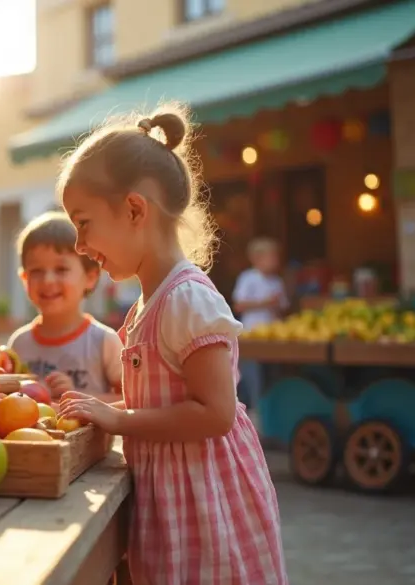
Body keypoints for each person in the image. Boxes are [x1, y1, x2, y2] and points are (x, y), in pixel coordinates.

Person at [55, 104, 287, 585]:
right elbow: (162, 403)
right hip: (176, 504)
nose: (79, 245)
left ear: (134, 210)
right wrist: (103, 408)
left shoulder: (186, 299)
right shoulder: (149, 303)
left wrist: (120, 419)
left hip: (208, 509)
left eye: (83, 222)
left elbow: (216, 413)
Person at [7, 211, 122, 400]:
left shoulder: (103, 341)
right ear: (24, 279)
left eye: (61, 269)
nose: (48, 280)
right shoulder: (19, 344)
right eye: (36, 271)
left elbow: (130, 400)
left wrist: (77, 396)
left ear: (91, 277)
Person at [232, 237, 287, 410]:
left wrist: (276, 306)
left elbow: (283, 306)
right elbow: (239, 305)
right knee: (253, 377)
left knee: (273, 375)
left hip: (273, 335)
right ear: (257, 258)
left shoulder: (277, 281)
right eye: (272, 256)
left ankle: (271, 408)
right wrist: (265, 303)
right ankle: (255, 409)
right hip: (252, 334)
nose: (276, 261)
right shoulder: (248, 278)